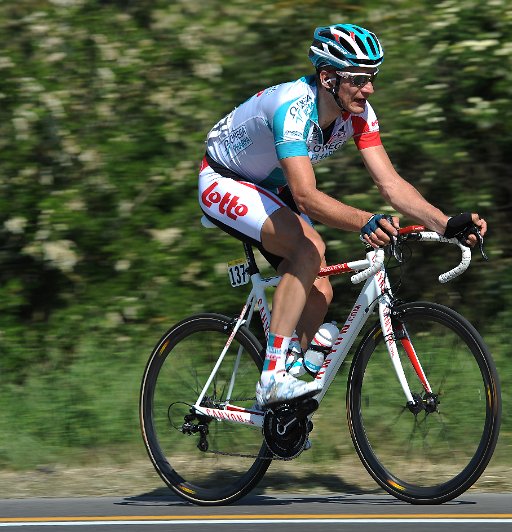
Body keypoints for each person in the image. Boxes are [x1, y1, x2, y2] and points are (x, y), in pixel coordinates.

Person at [198, 23, 487, 408]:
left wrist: (446, 223)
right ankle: (270, 378)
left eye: (372, 78)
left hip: (268, 184)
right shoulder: (293, 109)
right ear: (327, 77)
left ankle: (284, 403)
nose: (369, 89)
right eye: (358, 79)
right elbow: (305, 196)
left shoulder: (359, 114)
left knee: (320, 293)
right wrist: (366, 220)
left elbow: (391, 185)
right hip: (223, 178)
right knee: (309, 248)